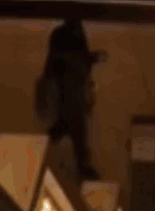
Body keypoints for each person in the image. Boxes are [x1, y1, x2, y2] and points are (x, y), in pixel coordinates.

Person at [36, 15, 105, 184]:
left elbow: (72, 58)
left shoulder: (73, 33)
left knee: (70, 122)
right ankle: (82, 164)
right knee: (77, 125)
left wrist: (90, 60)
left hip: (73, 85)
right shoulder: (64, 35)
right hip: (68, 85)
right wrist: (89, 59)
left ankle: (56, 136)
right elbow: (60, 58)